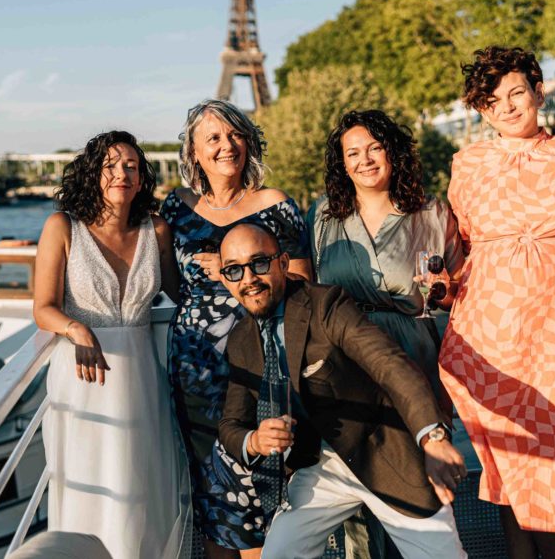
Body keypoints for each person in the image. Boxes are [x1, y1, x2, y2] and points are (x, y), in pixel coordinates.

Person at [438, 46, 555, 559]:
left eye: (516, 93)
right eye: (492, 102)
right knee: (509, 453)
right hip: (493, 326)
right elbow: (463, 246)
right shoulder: (467, 164)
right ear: (482, 111)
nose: (507, 107)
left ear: (538, 91)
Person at [216, 223, 468, 559]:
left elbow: (390, 365)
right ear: (224, 279)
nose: (248, 279)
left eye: (259, 263)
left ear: (283, 262)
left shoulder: (324, 304)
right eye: (234, 270)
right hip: (317, 467)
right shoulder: (240, 340)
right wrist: (255, 441)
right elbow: (231, 424)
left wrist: (432, 438)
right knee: (278, 553)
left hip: (384, 452)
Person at [308, 109, 464, 558]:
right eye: (353, 153)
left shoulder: (431, 213)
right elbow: (310, 293)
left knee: (421, 488)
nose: (365, 160)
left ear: (393, 152)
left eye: (375, 148)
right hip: (347, 360)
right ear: (341, 163)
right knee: (355, 486)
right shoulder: (322, 216)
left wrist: (445, 291)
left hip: (414, 356)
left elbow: (457, 295)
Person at [160, 100, 311, 557]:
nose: (226, 145)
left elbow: (303, 283)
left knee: (261, 488)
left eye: (235, 135)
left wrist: (235, 272)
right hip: (196, 375)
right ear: (194, 152)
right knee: (211, 491)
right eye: (213, 138)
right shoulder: (176, 208)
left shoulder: (275, 205)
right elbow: (173, 286)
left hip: (261, 366)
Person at [33, 130, 190, 559]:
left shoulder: (157, 230)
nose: (121, 173)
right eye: (110, 166)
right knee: (89, 484)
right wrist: (76, 329)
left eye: (131, 166)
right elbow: (43, 308)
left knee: (142, 487)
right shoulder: (63, 227)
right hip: (83, 379)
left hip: (141, 379)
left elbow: (181, 295)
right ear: (92, 174)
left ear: (141, 179)